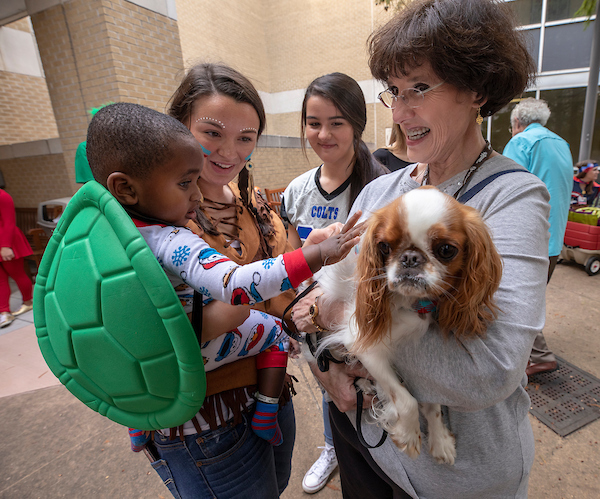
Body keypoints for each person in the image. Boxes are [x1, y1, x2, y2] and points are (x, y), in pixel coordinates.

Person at [291, 0, 549, 497]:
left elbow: (489, 371)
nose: (402, 111)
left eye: (420, 88)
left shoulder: (512, 196)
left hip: (454, 474)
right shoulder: (377, 193)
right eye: (394, 92)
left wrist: (339, 315)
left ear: (476, 88)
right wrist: (324, 369)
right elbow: (313, 299)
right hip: (363, 435)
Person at [86, 101, 362, 498]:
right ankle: (265, 407)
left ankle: (138, 414)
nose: (230, 151)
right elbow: (236, 285)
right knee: (273, 335)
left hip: (154, 382)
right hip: (202, 418)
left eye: (246, 138)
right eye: (212, 133)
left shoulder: (104, 234)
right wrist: (314, 256)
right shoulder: (172, 236)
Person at [281, 72, 387, 494]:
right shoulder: (296, 191)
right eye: (313, 122)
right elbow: (291, 264)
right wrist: (293, 316)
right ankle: (331, 449)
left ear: (357, 125)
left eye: (337, 122)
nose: (323, 134)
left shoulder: (379, 189)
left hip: (362, 323)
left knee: (361, 395)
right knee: (329, 391)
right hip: (312, 318)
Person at [503, 97, 573, 377]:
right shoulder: (561, 143)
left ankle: (539, 355)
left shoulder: (521, 143)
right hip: (555, 238)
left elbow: (505, 188)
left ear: (517, 123)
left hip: (528, 236)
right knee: (531, 294)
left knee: (512, 299)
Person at [0, 188, 34, 328]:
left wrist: (6, 246)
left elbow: (9, 222)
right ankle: (4, 311)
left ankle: (28, 302)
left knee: (17, 274)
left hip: (7, 241)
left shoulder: (3, 196)